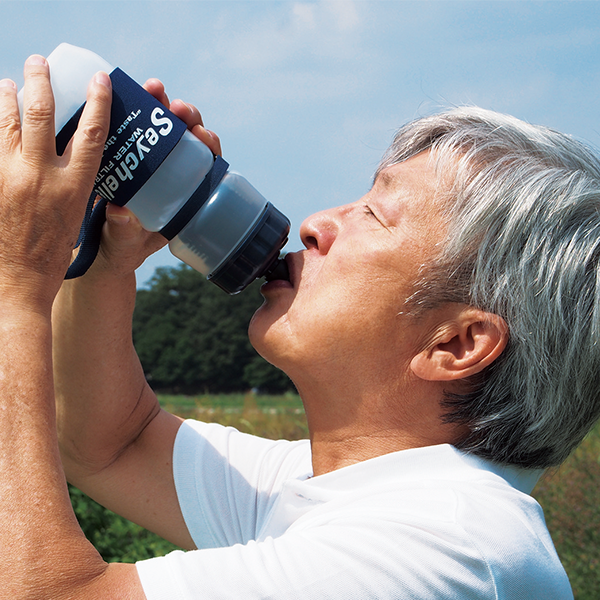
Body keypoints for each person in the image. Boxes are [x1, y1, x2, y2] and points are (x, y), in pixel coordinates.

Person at [1, 52, 597, 598]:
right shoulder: (354, 491)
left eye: (373, 215)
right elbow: (107, 443)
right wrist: (108, 260)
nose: (314, 223)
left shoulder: (445, 547)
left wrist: (19, 284)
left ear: (457, 343)